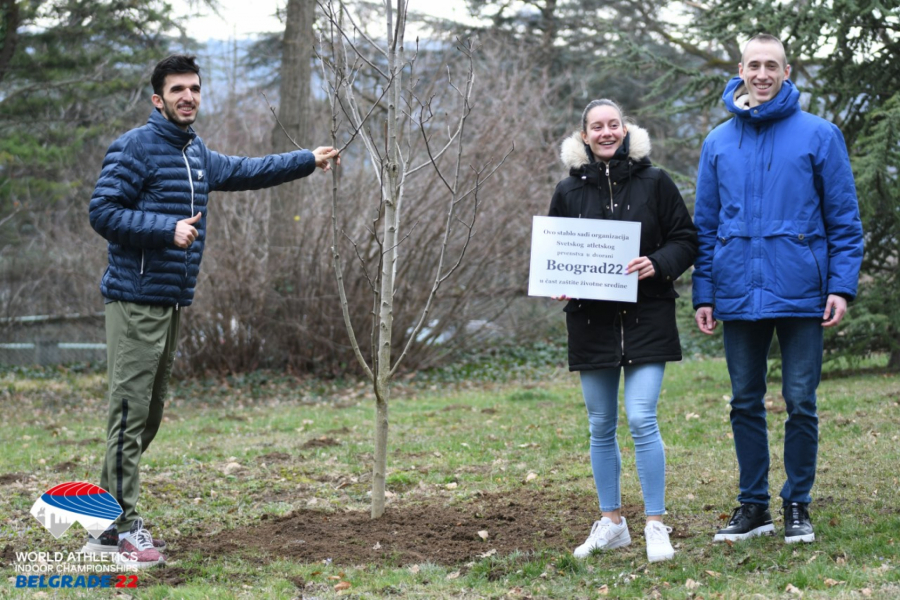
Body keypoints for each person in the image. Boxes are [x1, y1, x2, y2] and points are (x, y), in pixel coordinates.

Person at [84, 55, 340, 569]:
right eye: (177, 89)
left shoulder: (195, 151)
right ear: (158, 99)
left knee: (146, 418)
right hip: (134, 300)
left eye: (194, 88)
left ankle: (104, 521)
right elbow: (102, 211)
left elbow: (246, 171)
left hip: (169, 300)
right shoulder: (135, 147)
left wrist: (306, 160)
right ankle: (119, 527)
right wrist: (166, 229)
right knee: (129, 416)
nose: (188, 97)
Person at [692, 34, 864, 544]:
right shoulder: (718, 141)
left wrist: (842, 287)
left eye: (772, 66)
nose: (762, 74)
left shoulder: (820, 135)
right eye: (754, 65)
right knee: (744, 400)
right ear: (740, 70)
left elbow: (844, 221)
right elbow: (705, 225)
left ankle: (797, 505)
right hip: (737, 291)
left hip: (802, 291)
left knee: (800, 401)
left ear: (787, 72)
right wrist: (705, 291)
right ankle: (753, 507)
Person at [549, 99, 698, 562]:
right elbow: (555, 252)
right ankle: (612, 522)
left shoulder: (655, 182)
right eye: (598, 127)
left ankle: (656, 522)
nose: (607, 132)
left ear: (626, 130)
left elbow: (686, 240)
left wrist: (657, 263)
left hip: (647, 319)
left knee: (640, 418)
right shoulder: (567, 191)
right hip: (591, 323)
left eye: (614, 124)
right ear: (585, 135)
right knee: (599, 425)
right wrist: (558, 280)